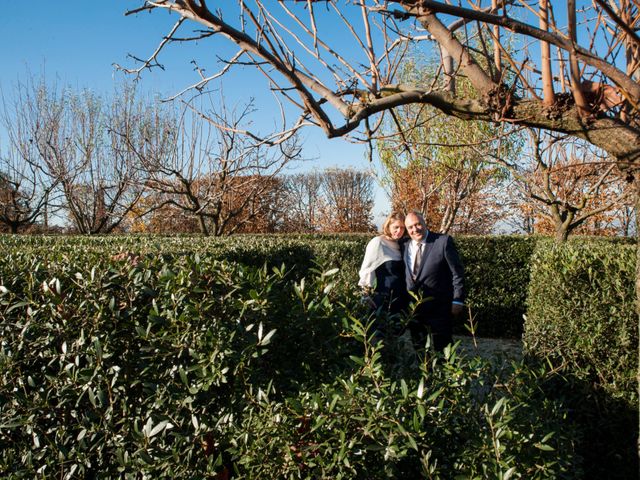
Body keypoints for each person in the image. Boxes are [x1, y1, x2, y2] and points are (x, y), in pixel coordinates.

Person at [401, 211, 465, 352]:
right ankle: (426, 374)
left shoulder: (442, 241)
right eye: (410, 227)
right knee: (420, 350)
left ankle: (446, 374)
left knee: (444, 350)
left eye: (418, 224)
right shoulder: (404, 245)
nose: (415, 229)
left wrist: (458, 300)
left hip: (439, 308)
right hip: (414, 310)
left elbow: (457, 273)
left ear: (424, 223)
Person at [358, 211, 408, 320]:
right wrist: (365, 295)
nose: (399, 231)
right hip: (383, 299)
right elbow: (367, 270)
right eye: (396, 227)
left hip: (402, 299)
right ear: (388, 226)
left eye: (402, 228)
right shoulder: (378, 243)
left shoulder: (402, 244)